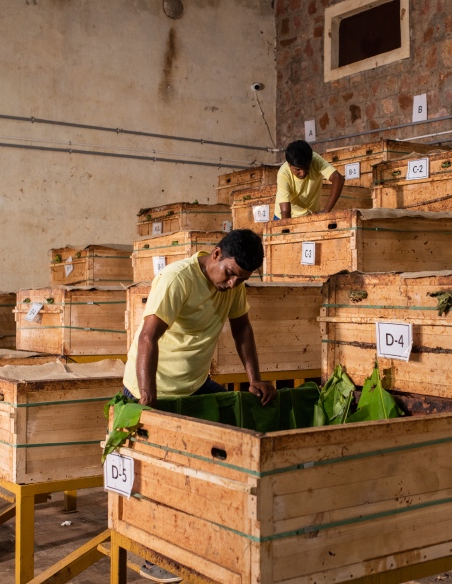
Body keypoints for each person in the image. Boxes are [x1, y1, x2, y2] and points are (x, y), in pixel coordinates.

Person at [121, 229, 276, 583]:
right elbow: (147, 338)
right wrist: (148, 401)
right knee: (162, 474)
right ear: (216, 255)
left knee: (228, 442)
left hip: (193, 385)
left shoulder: (232, 285)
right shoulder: (178, 279)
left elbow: (242, 328)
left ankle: (206, 536)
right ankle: (156, 554)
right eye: (230, 273)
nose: (233, 283)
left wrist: (254, 378)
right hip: (152, 389)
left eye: (241, 279)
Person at [274, 140, 345, 219]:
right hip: (284, 217)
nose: (303, 173)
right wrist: (288, 225)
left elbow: (338, 179)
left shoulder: (315, 160)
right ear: (289, 164)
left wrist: (326, 211)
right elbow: (285, 212)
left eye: (306, 168)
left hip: (311, 216)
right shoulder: (283, 174)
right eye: (298, 169)